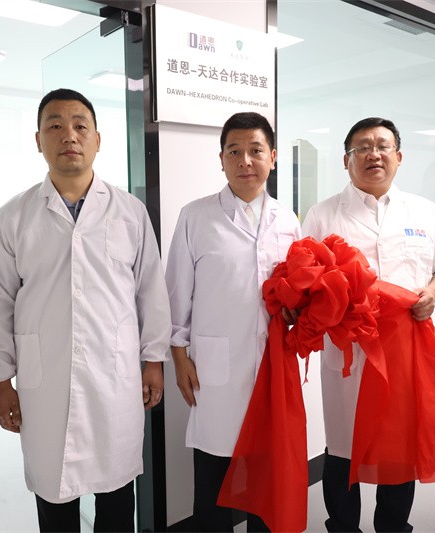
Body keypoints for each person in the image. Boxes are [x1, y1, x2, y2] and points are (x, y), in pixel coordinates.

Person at [0, 88, 170, 532]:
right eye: (55, 125)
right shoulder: (12, 216)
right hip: (44, 379)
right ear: (38, 140)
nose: (69, 135)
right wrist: (1, 382)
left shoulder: (129, 212)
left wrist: (153, 361)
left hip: (114, 376)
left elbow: (151, 291)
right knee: (54, 494)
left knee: (117, 497)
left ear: (98, 140)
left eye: (81, 125)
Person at [302, 117, 435, 532]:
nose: (373, 154)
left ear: (399, 156)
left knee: (399, 443)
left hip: (404, 349)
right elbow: (305, 281)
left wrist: (431, 294)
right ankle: (343, 526)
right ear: (346, 160)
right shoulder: (322, 215)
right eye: (362, 147)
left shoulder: (423, 211)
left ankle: (393, 526)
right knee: (343, 445)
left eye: (382, 146)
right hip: (349, 351)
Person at [165, 112, 301, 531]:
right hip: (215, 368)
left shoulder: (288, 220)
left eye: (256, 150)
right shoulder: (196, 216)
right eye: (234, 151)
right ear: (221, 159)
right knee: (214, 475)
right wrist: (179, 356)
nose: (245, 161)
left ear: (273, 157)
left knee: (266, 473)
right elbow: (176, 293)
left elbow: (297, 293)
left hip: (272, 366)